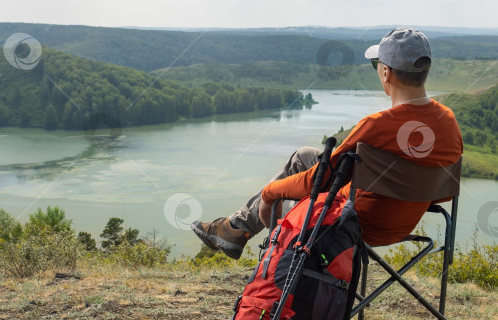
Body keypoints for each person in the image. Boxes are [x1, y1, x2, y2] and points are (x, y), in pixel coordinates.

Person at [192, 27, 463, 259]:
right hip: (402, 224)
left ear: (386, 73)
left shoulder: (377, 126)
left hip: (348, 224)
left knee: (281, 196)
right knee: (304, 156)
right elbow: (443, 193)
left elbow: (318, 181)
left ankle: (239, 235)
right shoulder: (448, 121)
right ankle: (234, 230)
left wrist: (270, 193)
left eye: (376, 65)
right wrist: (401, 193)